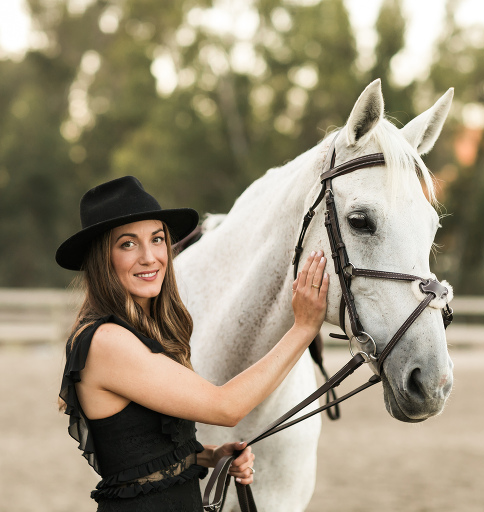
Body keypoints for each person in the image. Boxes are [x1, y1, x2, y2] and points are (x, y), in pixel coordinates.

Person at [56, 176, 329, 511]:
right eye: (127, 244)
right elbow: (226, 407)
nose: (149, 257)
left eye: (157, 239)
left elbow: (142, 451)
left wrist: (211, 455)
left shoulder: (143, 332)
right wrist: (303, 329)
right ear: (102, 258)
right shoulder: (106, 341)